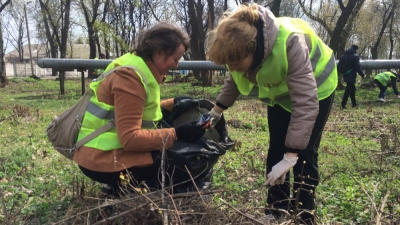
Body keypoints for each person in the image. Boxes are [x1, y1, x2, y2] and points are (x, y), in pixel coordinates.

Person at [206, 3, 337, 224]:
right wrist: (216, 110)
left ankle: (305, 215)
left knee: (304, 156)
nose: (233, 68)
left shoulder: (290, 42)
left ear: (253, 49)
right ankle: (275, 212)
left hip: (317, 89)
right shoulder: (242, 55)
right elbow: (235, 79)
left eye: (235, 63)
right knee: (276, 149)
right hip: (282, 95)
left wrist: (291, 156)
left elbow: (306, 102)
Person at [73, 22, 206, 195]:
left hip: (104, 152)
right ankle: (127, 191)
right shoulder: (131, 78)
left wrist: (173, 103)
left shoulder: (136, 65)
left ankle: (126, 186)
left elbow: (132, 110)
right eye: (175, 59)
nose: (176, 66)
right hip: (102, 158)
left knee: (179, 161)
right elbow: (130, 139)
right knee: (186, 167)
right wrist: (177, 133)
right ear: (158, 53)